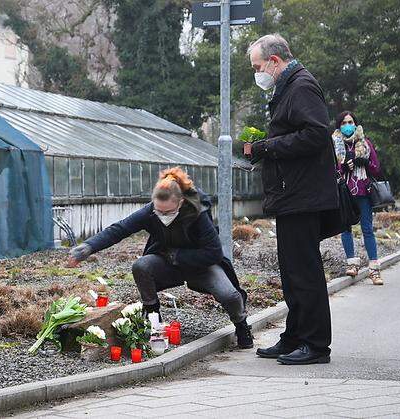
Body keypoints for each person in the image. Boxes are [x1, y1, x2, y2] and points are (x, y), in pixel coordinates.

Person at [67, 167, 254, 349]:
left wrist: (177, 255)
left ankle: (241, 325)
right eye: (159, 212)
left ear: (180, 203)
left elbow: (213, 252)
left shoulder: (198, 213)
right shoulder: (151, 212)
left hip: (201, 265)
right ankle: (153, 318)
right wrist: (88, 247)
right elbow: (120, 229)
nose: (162, 216)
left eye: (168, 212)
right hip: (168, 263)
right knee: (142, 265)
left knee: (229, 295)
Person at [245, 34, 338, 365]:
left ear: (274, 61)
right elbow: (294, 132)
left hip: (303, 196)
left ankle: (315, 345)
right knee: (293, 272)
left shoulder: (301, 86)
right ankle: (294, 337)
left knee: (305, 272)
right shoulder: (289, 87)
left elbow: (315, 134)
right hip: (293, 195)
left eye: (258, 66)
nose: (257, 73)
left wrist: (267, 148)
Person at [332, 111, 383, 285]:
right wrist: (344, 167)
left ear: (356, 123)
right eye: (344, 122)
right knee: (346, 228)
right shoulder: (334, 145)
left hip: (363, 192)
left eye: (351, 121)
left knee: (367, 229)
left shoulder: (365, 143)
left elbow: (377, 169)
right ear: (339, 126)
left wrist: (365, 163)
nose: (348, 125)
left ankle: (374, 269)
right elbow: (330, 170)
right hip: (345, 193)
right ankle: (352, 263)